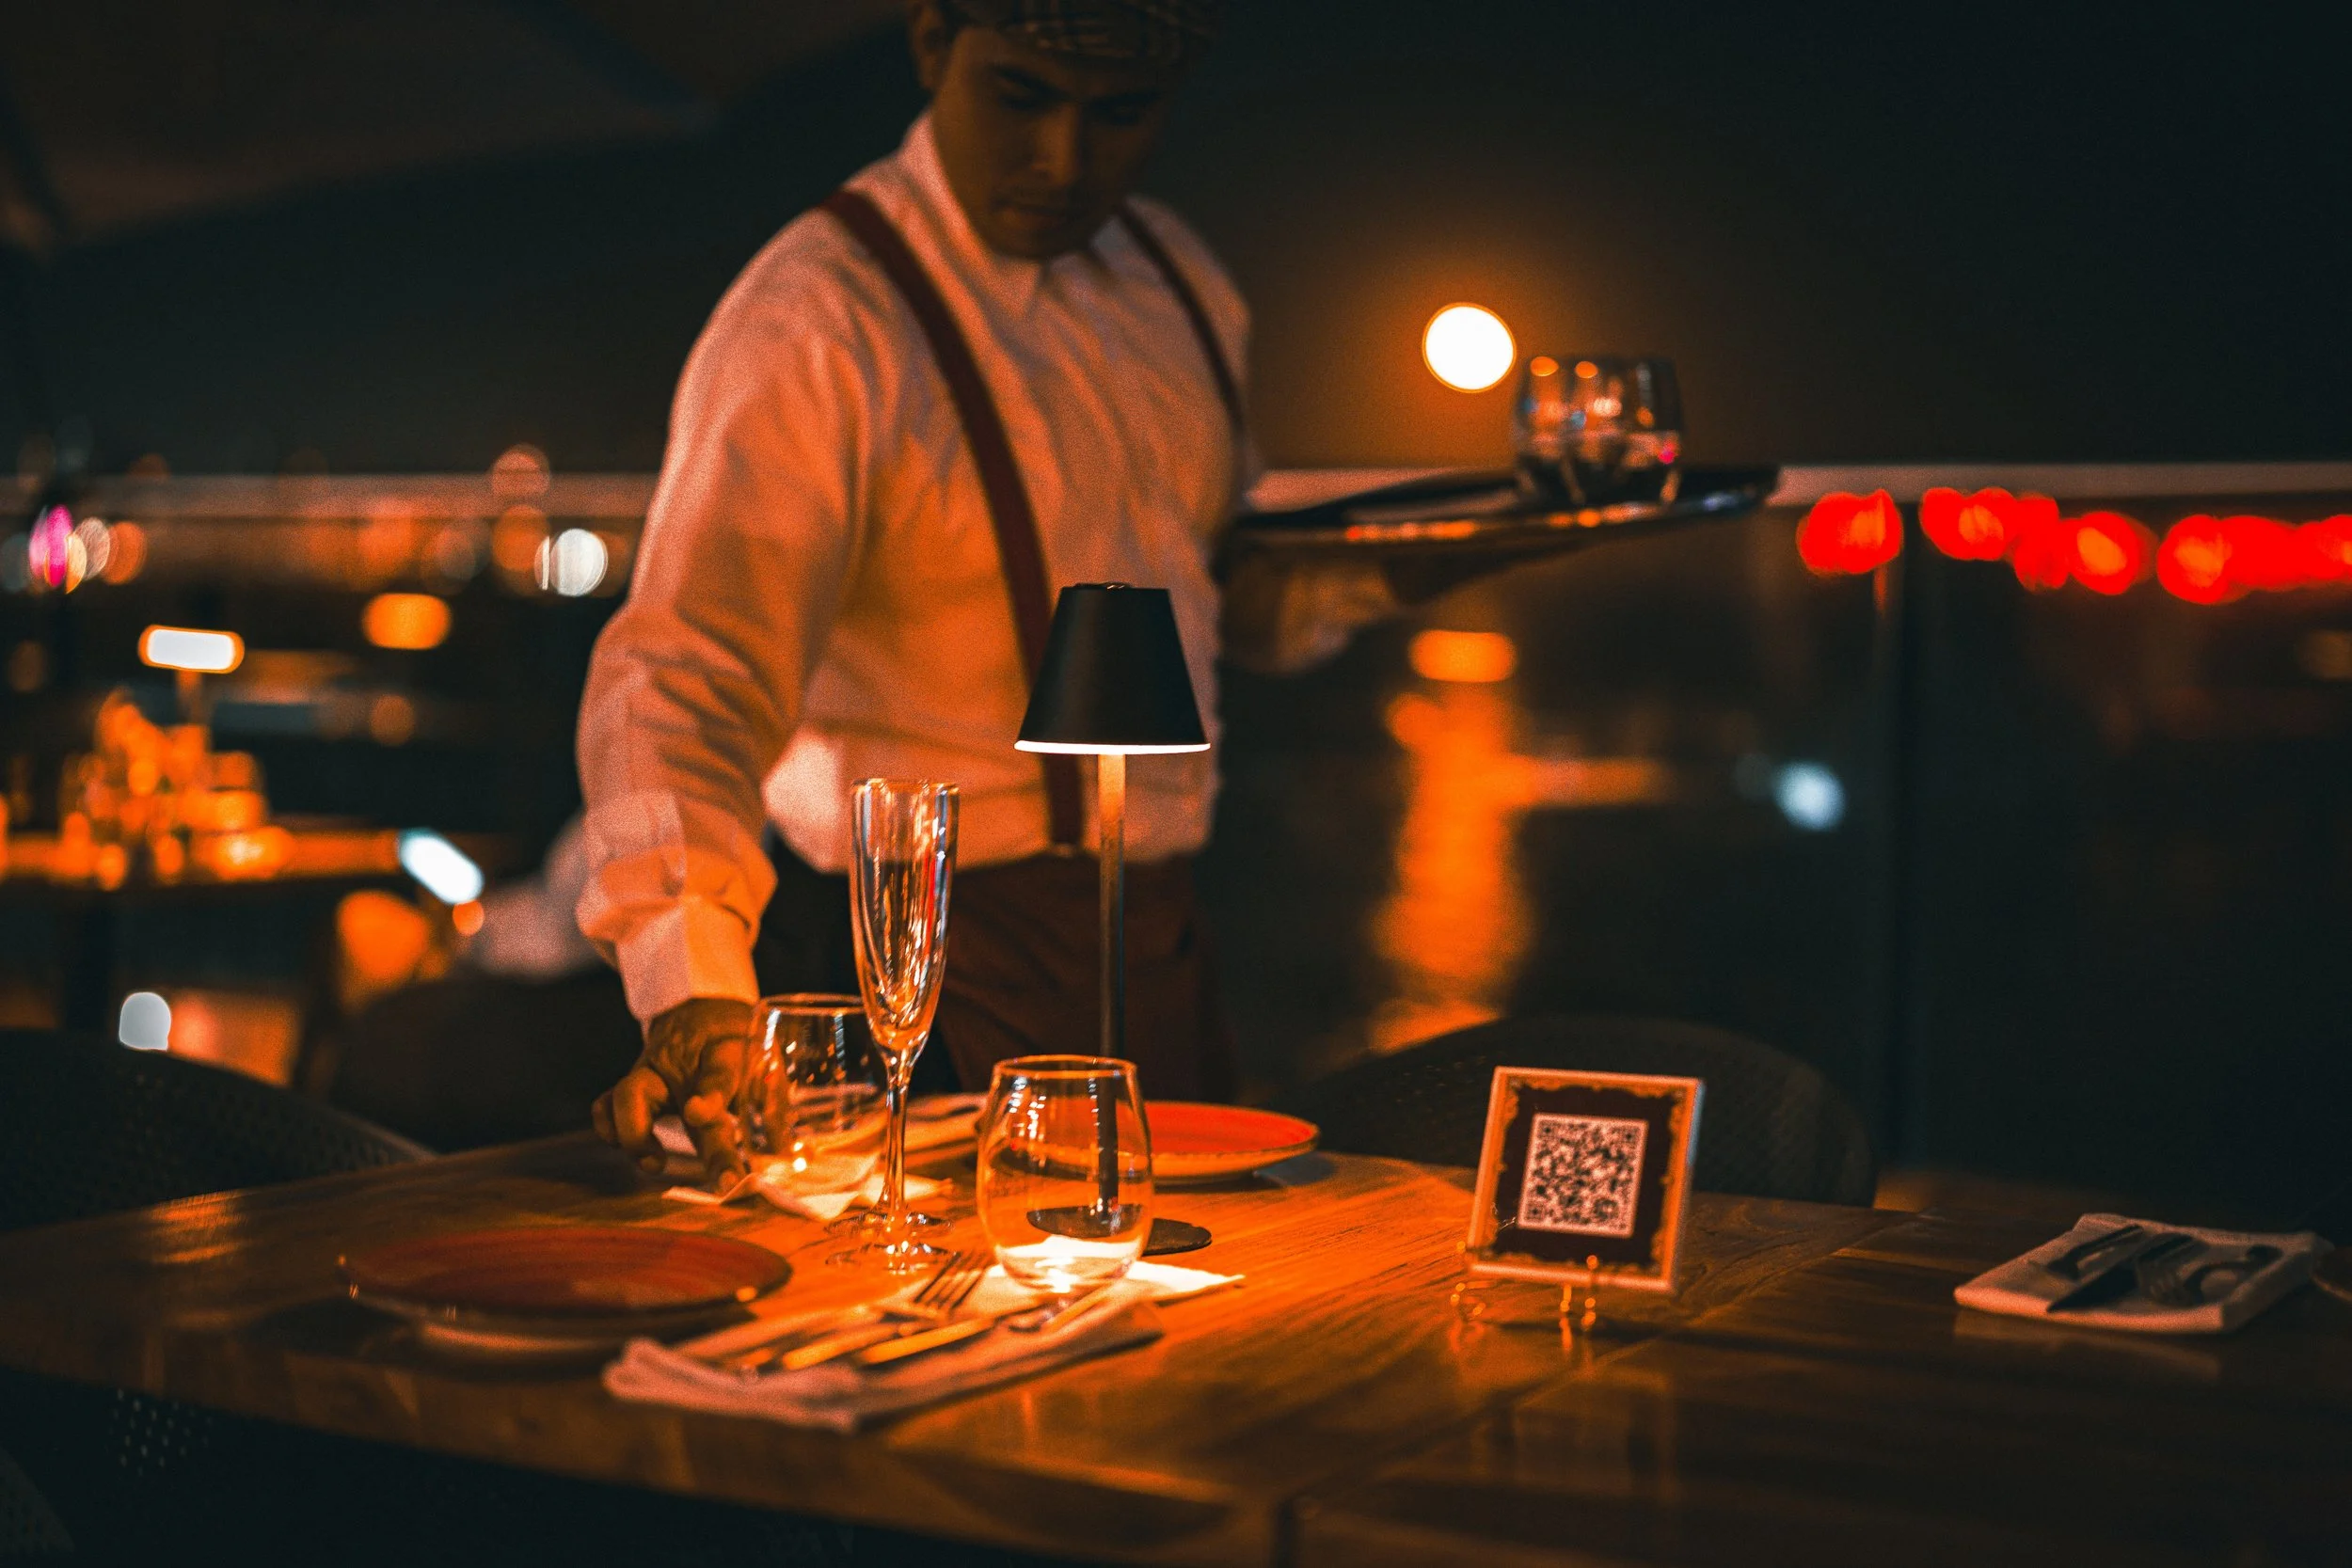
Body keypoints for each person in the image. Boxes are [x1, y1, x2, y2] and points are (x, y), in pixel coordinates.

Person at [578, 0, 1397, 1179]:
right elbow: (681, 679)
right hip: (921, 973)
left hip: (1158, 936)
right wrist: (693, 984)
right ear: (930, 45)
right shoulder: (819, 314)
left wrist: (1430, 563)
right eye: (1021, 97)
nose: (1063, 162)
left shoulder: (1182, 285)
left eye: (1119, 113)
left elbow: (1222, 609)